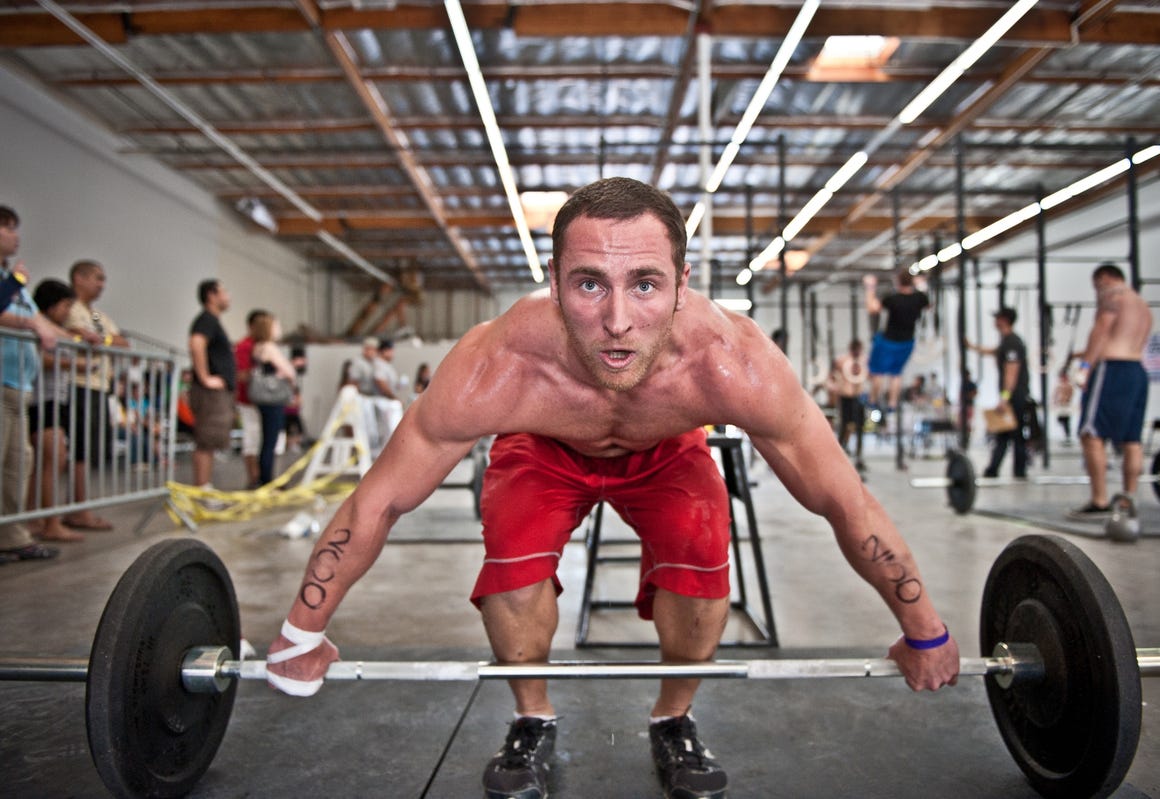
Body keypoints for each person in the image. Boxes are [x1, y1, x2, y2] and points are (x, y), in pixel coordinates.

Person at [264, 178, 959, 799]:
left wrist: (924, 628)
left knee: (701, 554)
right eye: (589, 283)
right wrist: (303, 628)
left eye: (647, 285)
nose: (618, 320)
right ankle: (531, 718)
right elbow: (380, 498)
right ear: (554, 277)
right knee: (512, 558)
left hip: (665, 451)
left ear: (683, 282)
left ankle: (674, 718)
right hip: (542, 447)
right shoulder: (497, 365)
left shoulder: (731, 364)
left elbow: (843, 499)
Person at [0, 205, 66, 562]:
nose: (16, 236)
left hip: (18, 385)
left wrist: (74, 335)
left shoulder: (11, 280)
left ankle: (12, 535)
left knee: (17, 462)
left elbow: (39, 319)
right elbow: (28, 321)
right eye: (8, 228)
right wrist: (30, 324)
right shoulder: (12, 282)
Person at [1072, 263, 1152, 518]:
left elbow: (1103, 330)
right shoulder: (1141, 304)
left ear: (1105, 278)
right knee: (1132, 439)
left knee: (1090, 434)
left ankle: (1099, 501)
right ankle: (1128, 499)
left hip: (1112, 370)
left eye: (1096, 285)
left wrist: (1085, 366)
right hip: (1137, 371)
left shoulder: (1112, 296)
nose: (1097, 291)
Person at [63, 259, 129, 531]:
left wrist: (101, 339)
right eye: (97, 278)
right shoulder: (71, 309)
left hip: (99, 386)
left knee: (88, 450)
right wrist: (101, 339)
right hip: (79, 385)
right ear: (79, 278)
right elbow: (78, 335)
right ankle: (77, 509)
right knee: (78, 450)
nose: (102, 285)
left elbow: (122, 343)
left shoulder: (98, 316)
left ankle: (80, 506)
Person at [28, 279, 82, 542]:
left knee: (42, 463)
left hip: (53, 400)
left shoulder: (56, 330)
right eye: (65, 306)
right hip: (42, 401)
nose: (67, 311)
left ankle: (33, 517)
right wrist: (77, 364)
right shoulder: (40, 327)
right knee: (54, 459)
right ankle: (50, 522)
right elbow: (43, 359)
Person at [967, 308, 1030, 480]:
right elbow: (993, 352)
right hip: (1011, 395)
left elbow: (1012, 372)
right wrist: (972, 347)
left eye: (997, 318)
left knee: (1013, 434)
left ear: (1004, 319)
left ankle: (1014, 470)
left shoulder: (1012, 342)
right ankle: (995, 469)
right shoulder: (1006, 342)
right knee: (1005, 433)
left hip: (1015, 396)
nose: (994, 321)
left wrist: (1005, 397)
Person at [862, 270, 930, 425]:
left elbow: (872, 308)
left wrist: (870, 288)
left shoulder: (893, 299)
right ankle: (892, 404)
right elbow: (928, 305)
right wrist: (922, 286)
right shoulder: (919, 298)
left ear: (898, 282)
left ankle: (872, 401)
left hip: (888, 341)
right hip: (907, 342)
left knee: (878, 373)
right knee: (896, 374)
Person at [187, 279, 236, 488]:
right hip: (210, 394)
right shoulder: (206, 320)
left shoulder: (212, 321)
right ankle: (202, 489)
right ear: (211, 295)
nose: (228, 296)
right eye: (224, 291)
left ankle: (205, 486)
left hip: (216, 392)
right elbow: (196, 344)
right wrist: (205, 377)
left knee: (211, 442)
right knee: (206, 442)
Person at [249, 312, 297, 486]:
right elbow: (290, 371)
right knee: (271, 440)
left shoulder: (257, 347)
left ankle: (265, 477)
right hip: (273, 400)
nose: (279, 329)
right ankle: (267, 480)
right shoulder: (269, 347)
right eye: (276, 325)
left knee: (267, 439)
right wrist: (287, 372)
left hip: (263, 400)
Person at [235, 309, 268, 488]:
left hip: (262, 402)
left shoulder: (260, 346)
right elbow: (240, 374)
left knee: (263, 440)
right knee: (251, 438)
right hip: (249, 401)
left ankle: (261, 477)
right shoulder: (245, 346)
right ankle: (253, 477)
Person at [828, 339, 867, 471]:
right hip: (845, 397)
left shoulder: (864, 361)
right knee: (845, 425)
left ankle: (859, 456)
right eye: (855, 349)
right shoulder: (842, 361)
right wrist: (833, 387)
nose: (857, 352)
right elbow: (831, 376)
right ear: (851, 349)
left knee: (860, 427)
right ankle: (839, 455)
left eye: (859, 349)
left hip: (859, 397)